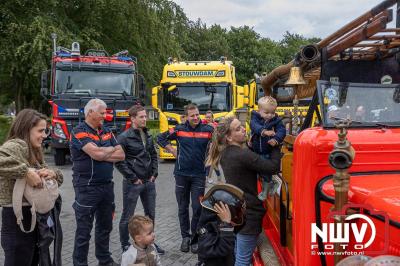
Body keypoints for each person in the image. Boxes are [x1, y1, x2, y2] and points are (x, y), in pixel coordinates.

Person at [206, 116, 281, 266]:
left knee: (239, 255)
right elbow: (272, 167)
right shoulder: (242, 155)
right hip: (249, 214)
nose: (243, 129)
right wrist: (275, 145)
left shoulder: (226, 153)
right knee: (242, 260)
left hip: (238, 212)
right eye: (238, 128)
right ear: (228, 137)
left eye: (242, 126)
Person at [0, 109, 63, 266]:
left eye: (46, 130)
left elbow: (56, 177)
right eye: (40, 131)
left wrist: (53, 174)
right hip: (18, 220)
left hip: (33, 218)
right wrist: (25, 171)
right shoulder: (17, 144)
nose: (44, 135)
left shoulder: (34, 149)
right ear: (26, 128)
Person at [70, 98, 125, 266]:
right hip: (87, 188)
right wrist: (107, 150)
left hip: (107, 187)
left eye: (106, 112)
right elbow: (97, 155)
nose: (105, 115)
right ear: (90, 113)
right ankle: (80, 263)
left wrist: (102, 151)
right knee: (84, 231)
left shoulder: (107, 131)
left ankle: (104, 260)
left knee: (105, 227)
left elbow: (121, 155)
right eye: (102, 113)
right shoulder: (79, 131)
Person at [157, 103, 214, 253]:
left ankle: (195, 238)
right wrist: (173, 151)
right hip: (181, 174)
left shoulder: (208, 130)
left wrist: (212, 157)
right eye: (192, 115)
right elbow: (160, 138)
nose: (195, 117)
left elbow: (220, 142)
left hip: (199, 175)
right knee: (182, 208)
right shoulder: (179, 129)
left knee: (197, 208)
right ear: (186, 117)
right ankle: (185, 238)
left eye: (197, 114)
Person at [115, 104, 164, 255]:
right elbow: (119, 161)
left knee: (150, 215)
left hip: (149, 182)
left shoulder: (147, 134)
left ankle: (150, 243)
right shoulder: (124, 137)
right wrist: (133, 178)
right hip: (133, 184)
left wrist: (154, 173)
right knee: (127, 216)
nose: (145, 119)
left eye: (145, 116)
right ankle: (125, 245)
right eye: (142, 117)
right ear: (133, 119)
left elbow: (153, 155)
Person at [195, 184, 246, 266]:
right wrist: (226, 224)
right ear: (218, 215)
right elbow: (222, 249)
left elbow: (238, 226)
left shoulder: (218, 225)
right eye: (230, 219)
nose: (231, 224)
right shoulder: (205, 231)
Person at [250, 96, 285, 200]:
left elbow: (282, 131)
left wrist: (275, 139)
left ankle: (265, 191)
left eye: (272, 112)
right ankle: (272, 183)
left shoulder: (276, 120)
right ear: (259, 110)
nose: (270, 115)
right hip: (256, 150)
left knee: (265, 171)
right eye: (266, 112)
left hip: (267, 150)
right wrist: (264, 132)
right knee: (258, 171)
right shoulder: (255, 118)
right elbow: (254, 126)